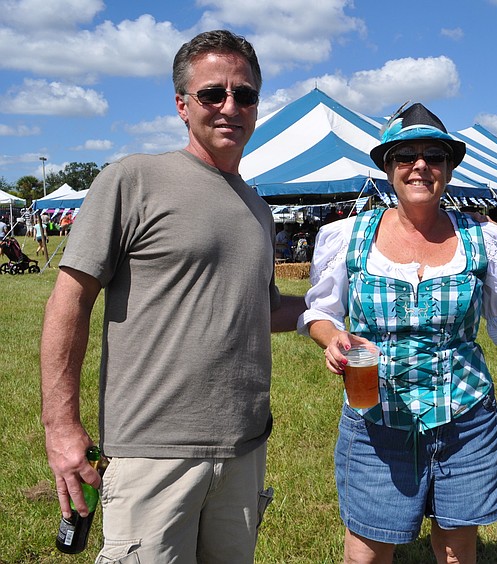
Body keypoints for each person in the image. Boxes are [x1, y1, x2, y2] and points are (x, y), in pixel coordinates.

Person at [40, 30, 305, 563]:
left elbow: (265, 308)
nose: (230, 106)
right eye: (213, 94)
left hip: (244, 447)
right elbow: (70, 301)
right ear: (183, 105)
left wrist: (346, 305)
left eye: (245, 94)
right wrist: (61, 426)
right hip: (151, 453)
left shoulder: (257, 206)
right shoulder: (133, 179)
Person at [298, 102, 497, 564]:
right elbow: (321, 312)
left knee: (455, 549)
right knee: (366, 550)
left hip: (464, 418)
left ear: (449, 168)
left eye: (435, 156)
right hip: (375, 418)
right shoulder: (347, 236)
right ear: (388, 167)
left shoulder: (481, 237)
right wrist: (332, 339)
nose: (420, 165)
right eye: (405, 155)